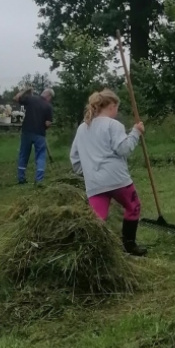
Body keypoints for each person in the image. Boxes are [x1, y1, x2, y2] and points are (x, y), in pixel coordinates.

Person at [69, 89, 148, 256]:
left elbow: (74, 158)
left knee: (98, 219)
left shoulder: (82, 128)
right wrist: (136, 132)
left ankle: (95, 253)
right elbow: (123, 149)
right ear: (112, 106)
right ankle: (129, 246)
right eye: (116, 107)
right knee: (133, 206)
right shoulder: (113, 125)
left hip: (94, 183)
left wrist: (87, 171)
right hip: (117, 179)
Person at [14, 86, 54, 184]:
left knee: (23, 154)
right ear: (49, 96)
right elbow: (48, 123)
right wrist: (45, 128)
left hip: (27, 132)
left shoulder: (31, 99)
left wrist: (25, 90)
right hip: (40, 134)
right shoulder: (48, 106)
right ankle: (39, 180)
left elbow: (16, 98)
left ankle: (21, 178)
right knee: (40, 155)